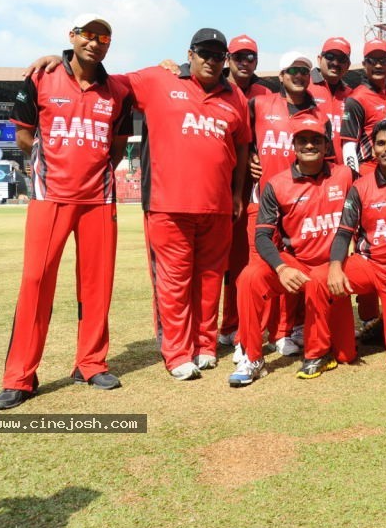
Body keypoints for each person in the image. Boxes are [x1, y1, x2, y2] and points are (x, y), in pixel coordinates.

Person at [0, 14, 133, 410]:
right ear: (72, 37)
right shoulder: (42, 76)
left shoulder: (118, 90)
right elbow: (23, 133)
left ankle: (90, 363)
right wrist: (49, 161)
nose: (95, 42)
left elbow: (119, 144)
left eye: (103, 37)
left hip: (98, 200)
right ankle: (19, 376)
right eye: (88, 35)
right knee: (36, 282)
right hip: (50, 196)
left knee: (97, 285)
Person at [133, 29, 252, 380]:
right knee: (174, 282)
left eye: (218, 56)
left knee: (210, 279)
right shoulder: (158, 79)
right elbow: (110, 84)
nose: (211, 61)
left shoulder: (236, 98)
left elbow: (242, 145)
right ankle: (177, 353)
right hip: (168, 204)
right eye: (204, 54)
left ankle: (204, 346)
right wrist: (54, 65)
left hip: (216, 206)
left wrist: (236, 193)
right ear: (190, 54)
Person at [228, 117, 353, 386]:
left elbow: (376, 183)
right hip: (294, 263)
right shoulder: (276, 184)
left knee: (346, 354)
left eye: (316, 140)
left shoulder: (343, 175)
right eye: (303, 140)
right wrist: (281, 267)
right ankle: (252, 356)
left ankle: (320, 346)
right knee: (249, 278)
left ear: (325, 144)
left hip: (331, 267)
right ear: (293, 145)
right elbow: (262, 235)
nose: (310, 145)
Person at [300, 120, 386, 378]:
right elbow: (344, 232)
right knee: (318, 279)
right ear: (373, 150)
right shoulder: (360, 187)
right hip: (368, 264)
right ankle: (317, 353)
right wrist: (334, 267)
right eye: (381, 144)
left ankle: (383, 327)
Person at [245, 53, 335, 358]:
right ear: (281, 76)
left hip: (304, 202)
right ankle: (253, 337)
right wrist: (247, 159)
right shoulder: (259, 104)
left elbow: (332, 160)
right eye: (292, 70)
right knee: (262, 270)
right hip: (267, 200)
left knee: (301, 266)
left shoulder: (320, 115)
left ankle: (289, 329)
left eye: (304, 70)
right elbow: (240, 139)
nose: (299, 75)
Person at [218, 35, 274, 349]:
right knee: (221, 264)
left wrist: (257, 156)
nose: (245, 62)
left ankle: (242, 324)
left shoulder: (266, 92)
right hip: (219, 184)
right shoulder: (213, 83)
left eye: (250, 57)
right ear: (228, 58)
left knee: (247, 261)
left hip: (252, 189)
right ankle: (223, 326)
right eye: (239, 56)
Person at [341, 39, 386, 174]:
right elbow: (349, 146)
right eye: (372, 61)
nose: (378, 65)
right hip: (369, 171)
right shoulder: (356, 99)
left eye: (383, 61)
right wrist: (354, 177)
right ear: (364, 65)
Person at [309, 36, 355, 158]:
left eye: (342, 59)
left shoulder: (352, 95)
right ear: (319, 59)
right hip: (310, 169)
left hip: (342, 172)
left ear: (348, 65)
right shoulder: (303, 88)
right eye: (330, 56)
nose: (335, 63)